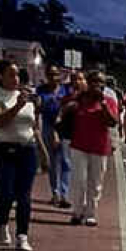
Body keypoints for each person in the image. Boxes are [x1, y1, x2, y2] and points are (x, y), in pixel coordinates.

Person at [0, 59, 49, 251]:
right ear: (0, 76)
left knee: (24, 195)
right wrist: (17, 107)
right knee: (7, 191)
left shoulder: (26, 96)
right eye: (11, 74)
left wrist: (43, 152)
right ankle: (2, 224)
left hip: (26, 149)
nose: (15, 78)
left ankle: (22, 235)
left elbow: (34, 126)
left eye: (17, 75)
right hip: (3, 150)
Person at [60, 71, 119, 227]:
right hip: (79, 145)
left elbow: (113, 122)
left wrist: (104, 105)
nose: (96, 85)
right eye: (93, 81)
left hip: (99, 147)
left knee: (95, 183)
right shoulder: (79, 99)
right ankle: (77, 212)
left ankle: (91, 213)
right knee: (78, 180)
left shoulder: (108, 101)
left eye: (100, 82)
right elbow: (64, 109)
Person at [35, 64, 72, 208]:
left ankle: (64, 194)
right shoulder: (41, 90)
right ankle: (55, 192)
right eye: (50, 74)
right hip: (48, 127)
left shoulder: (65, 90)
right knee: (52, 162)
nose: (53, 77)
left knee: (65, 162)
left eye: (55, 74)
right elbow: (37, 109)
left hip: (64, 128)